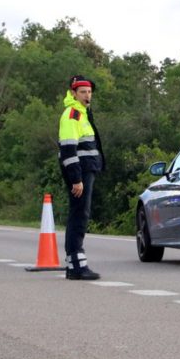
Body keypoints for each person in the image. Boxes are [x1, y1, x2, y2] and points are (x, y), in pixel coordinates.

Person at [58, 75, 105, 280]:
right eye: (83, 92)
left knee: (80, 214)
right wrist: (76, 179)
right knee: (79, 215)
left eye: (89, 92)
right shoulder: (73, 115)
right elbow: (68, 149)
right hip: (80, 172)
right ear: (74, 93)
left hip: (86, 170)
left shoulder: (83, 113)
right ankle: (77, 266)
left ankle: (74, 265)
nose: (88, 95)